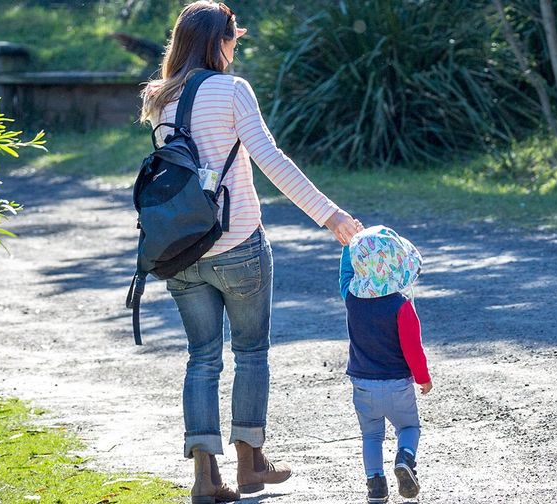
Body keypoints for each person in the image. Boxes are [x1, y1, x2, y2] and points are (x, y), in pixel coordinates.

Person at [138, 2, 365, 502]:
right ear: (219, 41)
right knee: (250, 352)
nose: (235, 47)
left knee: (201, 357)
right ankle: (249, 464)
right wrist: (330, 215)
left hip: (179, 250)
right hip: (239, 244)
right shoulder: (233, 90)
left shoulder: (160, 97)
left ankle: (204, 477)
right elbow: (270, 160)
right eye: (233, 39)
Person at [339, 226, 433, 503]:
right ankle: (405, 459)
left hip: (363, 384)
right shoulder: (402, 306)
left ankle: (376, 486)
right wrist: (423, 378)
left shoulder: (351, 299)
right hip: (397, 384)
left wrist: (348, 244)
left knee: (371, 436)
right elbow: (413, 349)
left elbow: (345, 274)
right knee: (409, 428)